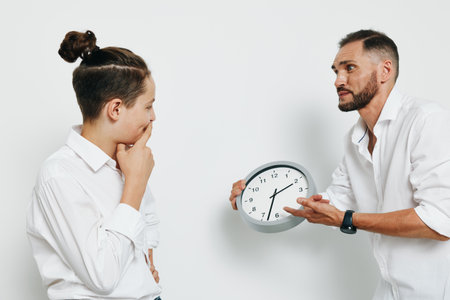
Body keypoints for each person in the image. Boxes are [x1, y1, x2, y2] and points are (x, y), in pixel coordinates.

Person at [229, 29, 450, 299]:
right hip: (389, 289)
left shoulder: (427, 121)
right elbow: (334, 202)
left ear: (385, 71)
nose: (338, 81)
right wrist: (255, 198)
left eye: (350, 68)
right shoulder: (353, 140)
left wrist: (348, 219)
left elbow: (442, 221)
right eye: (335, 71)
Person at [26, 30, 162, 300]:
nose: (153, 117)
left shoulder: (127, 163)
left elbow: (144, 237)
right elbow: (103, 276)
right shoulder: (59, 175)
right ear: (115, 109)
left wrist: (145, 269)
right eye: (148, 107)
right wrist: (135, 185)